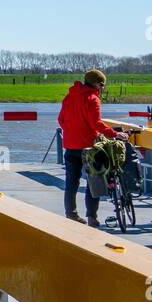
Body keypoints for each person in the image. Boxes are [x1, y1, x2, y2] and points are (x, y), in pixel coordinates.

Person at [58, 68, 123, 227]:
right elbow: (97, 124)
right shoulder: (92, 99)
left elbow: (61, 120)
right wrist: (114, 134)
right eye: (102, 85)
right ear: (95, 84)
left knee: (71, 182)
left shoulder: (69, 97)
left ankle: (71, 214)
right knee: (94, 181)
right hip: (89, 148)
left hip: (70, 146)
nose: (103, 88)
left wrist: (72, 132)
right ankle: (92, 217)